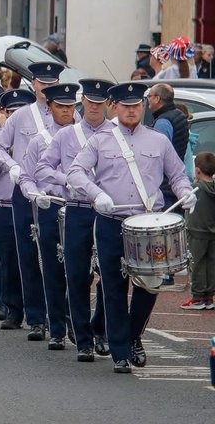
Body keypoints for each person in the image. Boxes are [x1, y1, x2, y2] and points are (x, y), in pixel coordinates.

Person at [67, 81, 195, 373]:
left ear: (144, 106)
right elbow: (75, 172)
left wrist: (185, 192)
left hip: (148, 222)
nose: (131, 111)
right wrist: (96, 195)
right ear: (115, 107)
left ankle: (133, 334)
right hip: (112, 221)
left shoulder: (158, 140)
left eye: (136, 105)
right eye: (125, 106)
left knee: (149, 285)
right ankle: (121, 352)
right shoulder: (101, 140)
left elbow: (177, 175)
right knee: (113, 286)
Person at [35, 78, 113, 360]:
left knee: (110, 275)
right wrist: (66, 180)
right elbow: (43, 168)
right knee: (77, 275)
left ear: (107, 104)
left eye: (99, 101)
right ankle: (84, 340)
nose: (94, 106)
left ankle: (101, 329)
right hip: (78, 208)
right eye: (90, 101)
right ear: (84, 103)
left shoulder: (116, 134)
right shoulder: (66, 135)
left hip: (108, 210)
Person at [0, 61, 63, 342]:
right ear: (34, 85)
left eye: (52, 82)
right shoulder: (21, 116)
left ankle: (60, 316)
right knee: (28, 255)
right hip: (25, 190)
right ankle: (35, 318)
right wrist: (12, 166)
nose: (47, 87)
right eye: (42, 83)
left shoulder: (69, 114)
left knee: (58, 256)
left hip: (57, 192)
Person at [16, 82, 80, 348]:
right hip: (50, 205)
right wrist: (34, 195)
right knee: (52, 270)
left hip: (80, 207)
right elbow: (26, 177)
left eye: (70, 106)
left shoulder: (88, 137)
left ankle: (76, 322)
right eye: (61, 107)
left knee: (81, 271)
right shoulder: (40, 140)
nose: (66, 112)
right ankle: (56, 328)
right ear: (50, 108)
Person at [181, 151, 215, 310]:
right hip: (212, 232)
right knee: (211, 264)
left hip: (197, 231)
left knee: (197, 263)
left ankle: (197, 297)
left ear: (198, 170)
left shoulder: (195, 189)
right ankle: (209, 296)